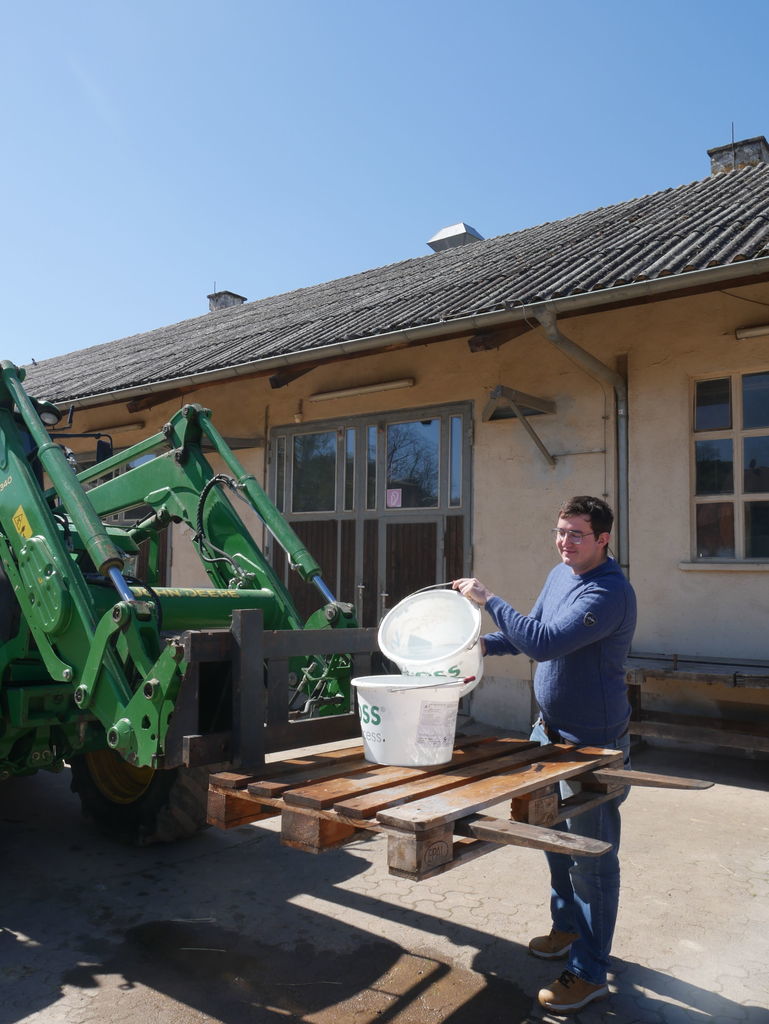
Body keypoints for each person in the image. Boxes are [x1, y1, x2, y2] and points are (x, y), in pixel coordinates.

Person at [453, 495, 637, 1016]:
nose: (564, 542)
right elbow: (529, 630)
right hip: (548, 733)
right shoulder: (561, 575)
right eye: (560, 531)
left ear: (603, 539)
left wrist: (488, 598)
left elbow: (544, 643)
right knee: (552, 839)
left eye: (577, 534)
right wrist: (485, 645)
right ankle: (567, 929)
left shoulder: (608, 592)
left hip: (592, 745)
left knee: (591, 859)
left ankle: (590, 972)